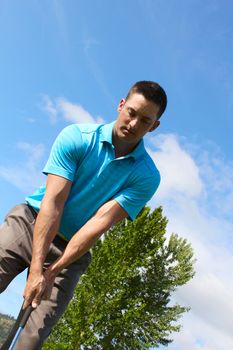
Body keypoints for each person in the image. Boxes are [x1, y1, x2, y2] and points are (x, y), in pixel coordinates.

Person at [0, 80, 167, 349]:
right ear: (121, 105)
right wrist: (35, 270)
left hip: (72, 252)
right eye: (131, 113)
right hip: (31, 222)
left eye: (145, 121)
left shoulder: (146, 176)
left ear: (154, 126)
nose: (134, 124)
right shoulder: (77, 137)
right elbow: (53, 204)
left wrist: (51, 271)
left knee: (29, 340)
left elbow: (97, 225)